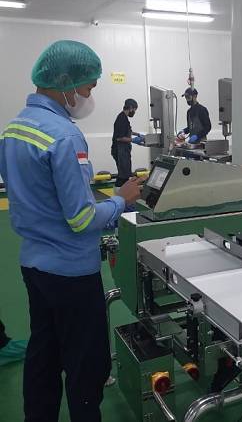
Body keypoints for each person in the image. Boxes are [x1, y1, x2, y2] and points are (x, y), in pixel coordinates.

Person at [0, 40, 143, 422]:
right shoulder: (64, 136)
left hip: (34, 264)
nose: (89, 96)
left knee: (44, 353)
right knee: (86, 363)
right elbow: (80, 218)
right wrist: (121, 200)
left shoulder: (15, 128)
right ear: (66, 82)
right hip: (71, 272)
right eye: (90, 87)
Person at [111, 98, 143, 192]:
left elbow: (127, 131)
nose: (134, 112)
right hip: (120, 150)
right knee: (123, 175)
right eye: (135, 110)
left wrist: (138, 134)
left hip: (124, 150)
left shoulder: (124, 118)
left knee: (125, 173)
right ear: (131, 108)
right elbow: (119, 138)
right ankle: (119, 195)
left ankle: (122, 195)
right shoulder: (121, 119)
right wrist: (133, 140)